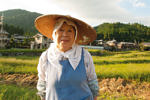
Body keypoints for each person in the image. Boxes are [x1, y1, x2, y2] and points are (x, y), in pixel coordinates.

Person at [35, 14, 99, 100]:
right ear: (54, 33)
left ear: (75, 35)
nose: (65, 34)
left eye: (70, 31)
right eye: (61, 30)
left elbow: (92, 82)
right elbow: (42, 84)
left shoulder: (84, 55)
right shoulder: (46, 56)